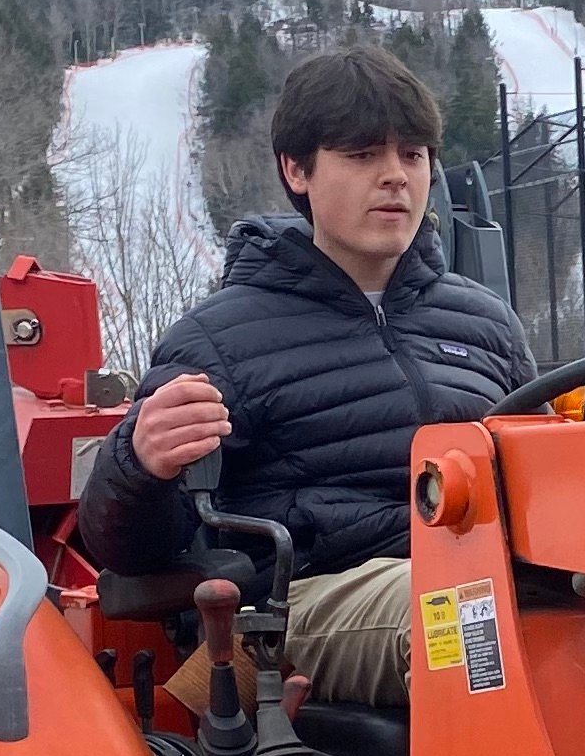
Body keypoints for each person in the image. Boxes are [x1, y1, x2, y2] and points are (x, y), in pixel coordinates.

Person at [78, 42, 537, 708]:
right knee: (466, 616)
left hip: (486, 564)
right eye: (362, 155)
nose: (396, 177)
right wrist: (140, 462)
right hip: (313, 598)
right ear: (296, 170)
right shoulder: (220, 340)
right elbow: (128, 546)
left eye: (413, 155)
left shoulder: (485, 323)